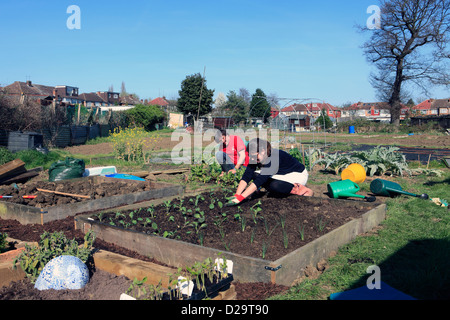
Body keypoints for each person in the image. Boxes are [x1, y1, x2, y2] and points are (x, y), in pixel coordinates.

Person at [227, 138, 313, 205]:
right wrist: (237, 195)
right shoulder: (256, 157)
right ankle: (281, 190)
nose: (253, 159)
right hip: (281, 175)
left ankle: (303, 190)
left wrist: (241, 198)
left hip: (297, 174)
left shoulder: (274, 157)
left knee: (275, 185)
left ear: (263, 151)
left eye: (255, 156)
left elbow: (260, 180)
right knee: (254, 174)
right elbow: (247, 176)